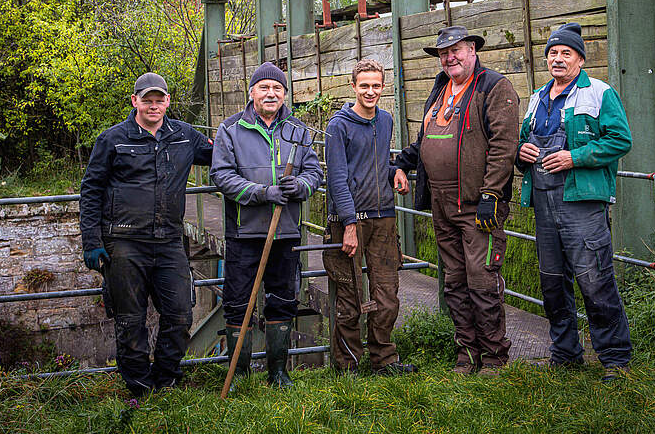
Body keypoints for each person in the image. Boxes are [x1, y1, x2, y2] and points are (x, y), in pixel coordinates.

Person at [79, 72, 214, 398]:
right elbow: (91, 190)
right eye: (147, 100)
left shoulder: (184, 136)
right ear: (135, 101)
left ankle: (166, 381)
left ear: (167, 101)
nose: (153, 106)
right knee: (130, 320)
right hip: (124, 243)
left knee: (180, 314)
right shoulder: (113, 140)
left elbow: (221, 153)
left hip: (169, 240)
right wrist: (92, 242)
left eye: (159, 100)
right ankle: (139, 389)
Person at [394, 26, 520, 376]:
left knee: (482, 279)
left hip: (478, 204)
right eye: (443, 53)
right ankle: (467, 354)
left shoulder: (494, 87)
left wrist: (491, 194)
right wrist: (402, 163)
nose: (450, 58)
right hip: (442, 203)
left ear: (473, 50)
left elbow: (504, 145)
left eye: (456, 50)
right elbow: (425, 139)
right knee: (455, 281)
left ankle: (494, 357)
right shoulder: (440, 89)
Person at [516, 22, 633, 382]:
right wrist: (521, 152)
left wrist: (575, 157)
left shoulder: (599, 93)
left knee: (595, 280)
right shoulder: (537, 98)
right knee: (552, 283)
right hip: (543, 201)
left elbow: (620, 140)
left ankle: (615, 359)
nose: (558, 58)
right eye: (552, 52)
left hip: (581, 202)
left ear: (580, 59)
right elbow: (522, 142)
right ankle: (565, 354)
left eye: (566, 53)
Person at [210, 61, 323, 388]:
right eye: (264, 87)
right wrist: (261, 193)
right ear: (252, 92)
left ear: (285, 94)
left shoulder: (298, 131)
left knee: (283, 300)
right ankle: (239, 373)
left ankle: (278, 373)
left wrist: (299, 186)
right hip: (244, 233)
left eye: (277, 88)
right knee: (237, 303)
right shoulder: (230, 129)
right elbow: (222, 175)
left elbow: (314, 173)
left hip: (285, 232)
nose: (271, 93)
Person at [322, 59, 417, 376]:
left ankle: (384, 360)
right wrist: (348, 223)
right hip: (348, 220)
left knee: (387, 295)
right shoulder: (338, 126)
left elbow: (375, 163)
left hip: (383, 218)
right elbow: (337, 178)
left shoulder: (385, 120)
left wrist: (395, 171)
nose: (370, 91)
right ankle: (346, 366)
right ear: (353, 86)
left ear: (383, 87)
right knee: (350, 296)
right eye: (364, 85)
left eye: (376, 85)